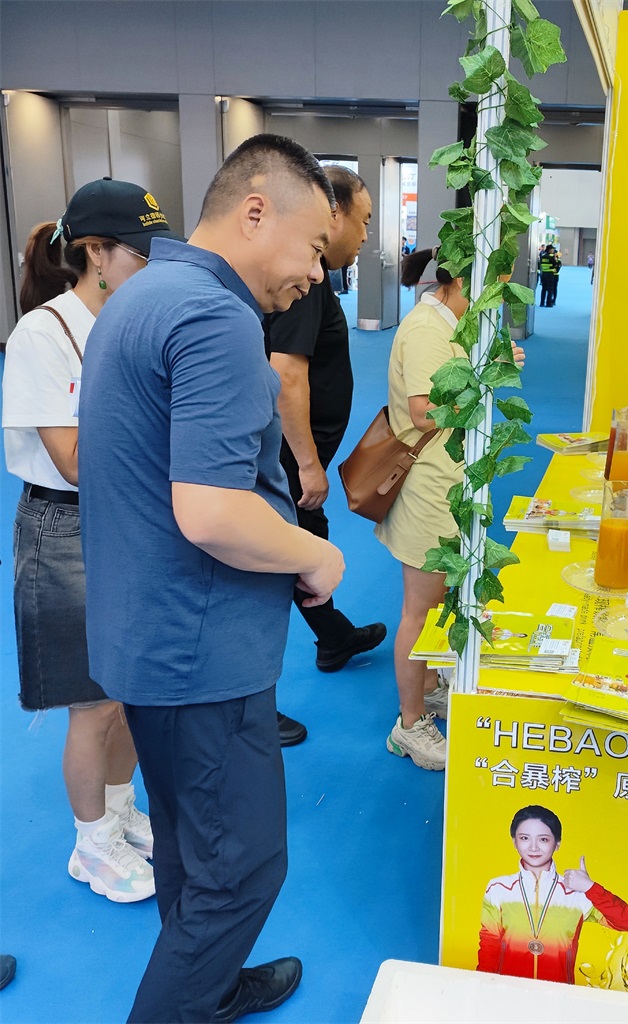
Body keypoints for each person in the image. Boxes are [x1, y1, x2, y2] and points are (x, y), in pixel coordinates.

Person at [78, 134, 345, 1022]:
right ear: (255, 211)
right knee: (242, 869)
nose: (317, 274)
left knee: (194, 850)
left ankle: (212, 986)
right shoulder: (214, 318)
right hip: (200, 652)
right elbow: (211, 512)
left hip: (147, 635)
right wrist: (313, 553)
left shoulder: (140, 294)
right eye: (316, 247)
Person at [2, 178, 179, 904]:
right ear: (97, 253)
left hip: (134, 518)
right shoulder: (45, 334)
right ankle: (90, 843)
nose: (153, 266)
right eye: (140, 253)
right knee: (92, 700)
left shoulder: (140, 321)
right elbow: (74, 461)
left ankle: (119, 809)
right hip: (66, 528)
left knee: (133, 690)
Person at [374, 246, 524, 770]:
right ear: (464, 279)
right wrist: (488, 377)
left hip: (450, 481)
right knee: (420, 609)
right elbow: (423, 413)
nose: (500, 295)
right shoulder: (426, 329)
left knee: (442, 601)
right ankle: (409, 724)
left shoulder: (453, 323)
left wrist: (492, 365)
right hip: (428, 487)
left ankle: (429, 688)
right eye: (496, 283)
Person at [264, 164, 386, 747]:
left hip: (290, 457)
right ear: (331, 214)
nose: (365, 236)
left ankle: (334, 637)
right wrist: (308, 465)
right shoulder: (304, 284)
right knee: (270, 569)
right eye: (363, 221)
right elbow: (286, 376)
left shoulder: (315, 280)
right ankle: (250, 705)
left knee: (305, 549)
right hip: (286, 460)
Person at [477, 805, 628, 984]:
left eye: (543, 839)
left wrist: (590, 887)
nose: (533, 847)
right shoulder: (499, 888)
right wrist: (482, 987)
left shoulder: (576, 892)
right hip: (508, 992)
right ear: (514, 841)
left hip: (560, 995)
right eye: (524, 838)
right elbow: (489, 944)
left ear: (557, 844)